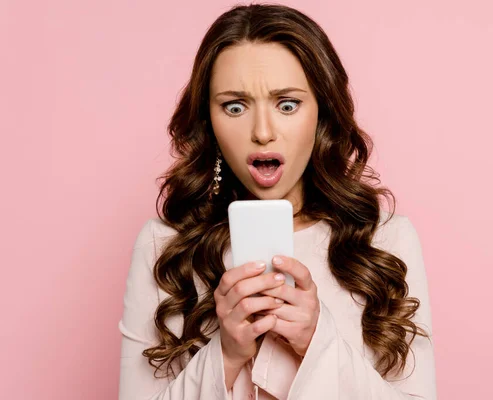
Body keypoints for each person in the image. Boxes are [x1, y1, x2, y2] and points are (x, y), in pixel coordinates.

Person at [118, 3, 436, 399]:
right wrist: (227, 352)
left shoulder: (384, 242)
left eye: (287, 104)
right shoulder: (163, 247)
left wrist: (315, 343)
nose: (262, 132)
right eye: (234, 106)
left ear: (322, 114)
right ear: (208, 121)